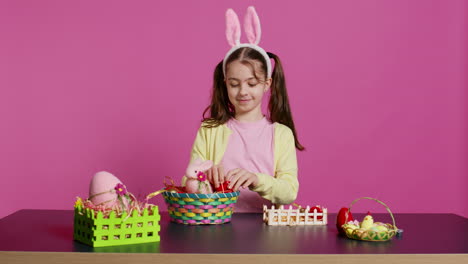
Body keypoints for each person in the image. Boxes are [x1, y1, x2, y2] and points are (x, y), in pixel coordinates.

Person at [189, 6, 304, 212]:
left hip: (267, 232)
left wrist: (256, 179)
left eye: (252, 84)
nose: (243, 91)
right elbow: (189, 179)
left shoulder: (280, 134)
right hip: (218, 226)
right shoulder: (209, 130)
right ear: (225, 83)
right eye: (234, 84)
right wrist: (203, 176)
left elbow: (289, 191)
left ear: (266, 83)